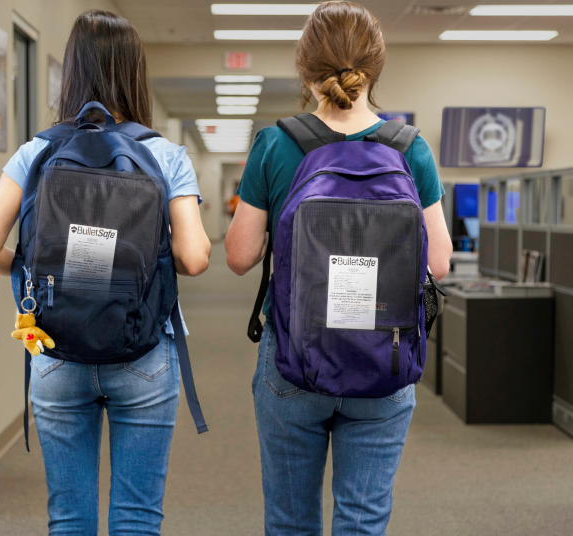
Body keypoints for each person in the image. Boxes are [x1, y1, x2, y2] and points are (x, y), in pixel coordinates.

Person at [0, 10, 210, 535]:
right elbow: (193, 259)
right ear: (134, 72)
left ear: (72, 71)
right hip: (144, 349)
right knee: (137, 518)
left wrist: (29, 264)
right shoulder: (163, 155)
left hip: (54, 347)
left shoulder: (38, 151)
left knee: (69, 519)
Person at [224, 2, 452, 534]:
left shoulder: (276, 144)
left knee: (289, 520)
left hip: (294, 360)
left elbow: (237, 258)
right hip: (385, 360)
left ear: (305, 68)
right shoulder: (409, 148)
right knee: (363, 520)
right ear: (374, 66)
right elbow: (438, 262)